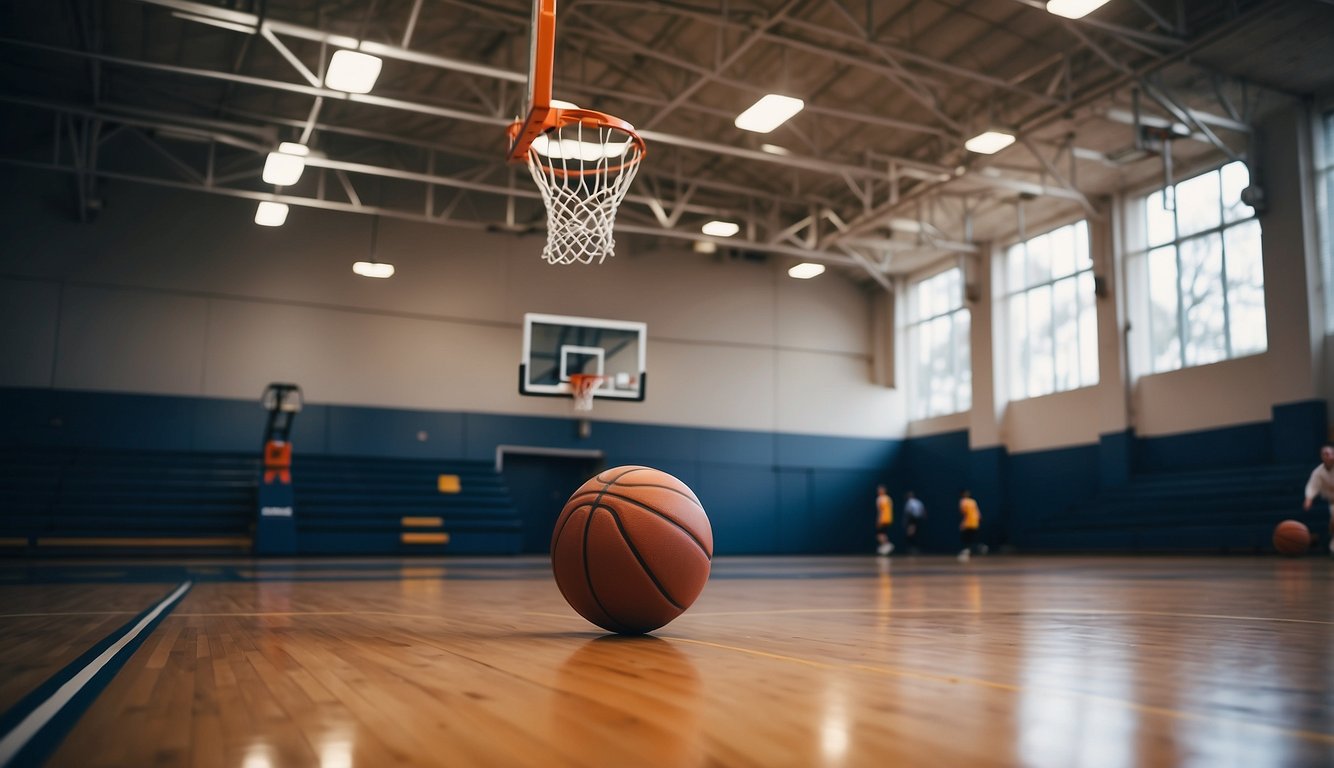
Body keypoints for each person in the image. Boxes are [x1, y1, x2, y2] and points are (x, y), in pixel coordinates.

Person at [1302, 444, 1334, 556]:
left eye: (1330, 453)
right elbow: (1312, 486)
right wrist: (1308, 498)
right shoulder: (1318, 472)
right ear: (1322, 457)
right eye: (1325, 454)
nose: (1328, 456)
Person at [958, 489, 980, 562]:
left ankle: (967, 552)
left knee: (966, 539)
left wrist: (963, 523)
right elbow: (979, 514)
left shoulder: (963, 501)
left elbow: (964, 513)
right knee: (972, 538)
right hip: (975, 522)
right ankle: (972, 551)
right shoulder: (973, 501)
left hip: (968, 522)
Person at [875, 485, 894, 556]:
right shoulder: (888, 498)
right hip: (888, 519)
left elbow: (880, 511)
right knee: (883, 533)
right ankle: (886, 545)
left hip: (883, 519)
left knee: (879, 534)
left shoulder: (879, 499)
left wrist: (878, 520)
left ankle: (887, 545)